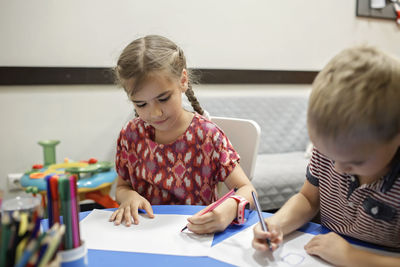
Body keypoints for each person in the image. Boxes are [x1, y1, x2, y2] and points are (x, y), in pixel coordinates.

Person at [252, 46, 400, 266]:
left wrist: (352, 258)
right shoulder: (330, 150)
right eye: (330, 156)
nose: (338, 169)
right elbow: (308, 198)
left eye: (355, 162)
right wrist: (277, 223)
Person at [109, 35, 255, 234]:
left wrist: (229, 209)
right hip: (143, 236)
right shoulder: (131, 135)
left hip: (195, 236)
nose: (155, 113)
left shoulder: (207, 135)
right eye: (141, 104)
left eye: (163, 98)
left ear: (183, 81)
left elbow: (248, 190)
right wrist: (128, 197)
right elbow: (122, 187)